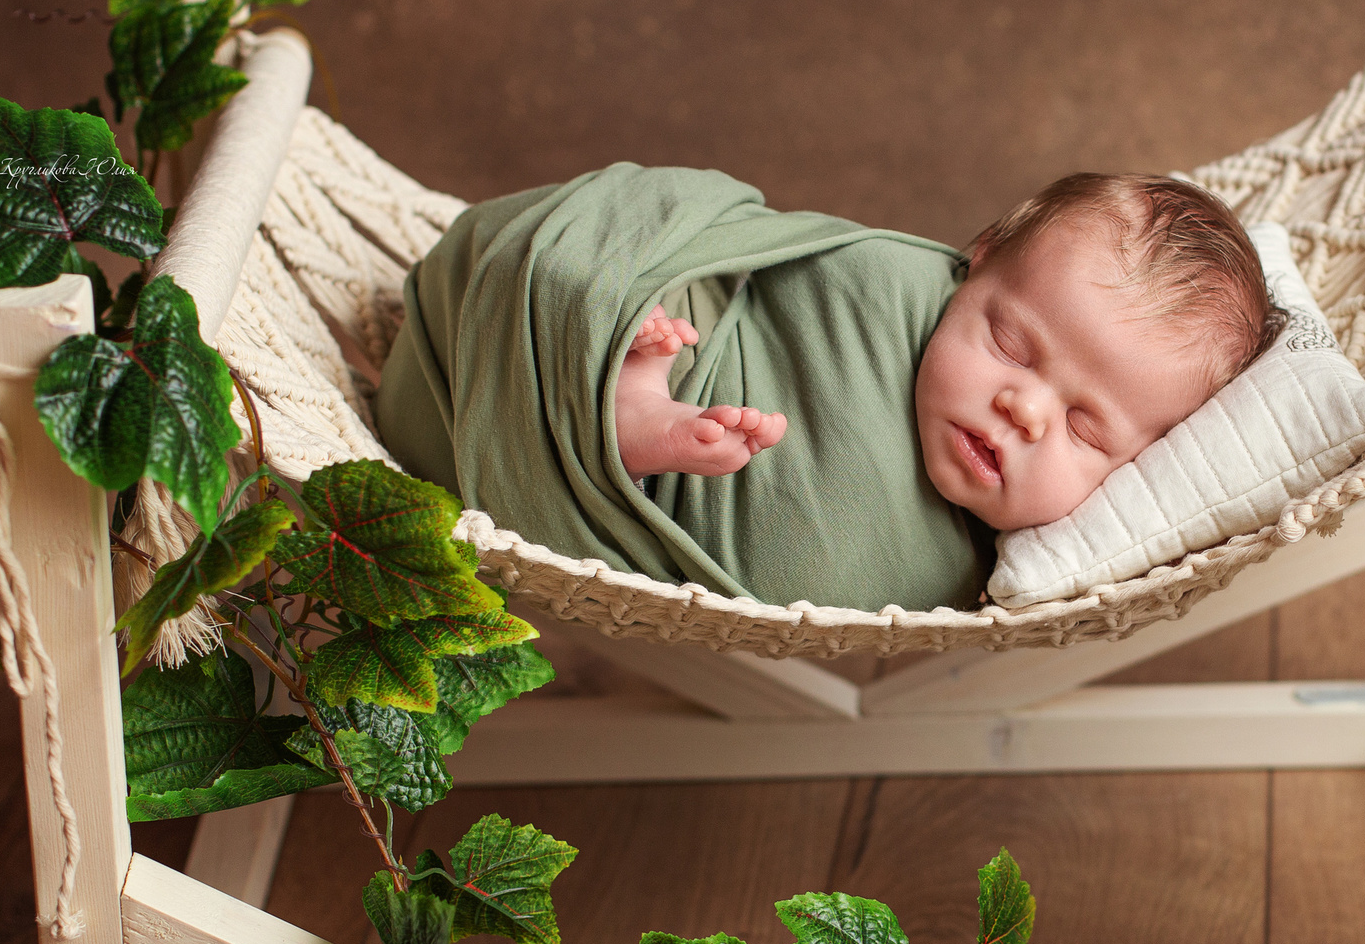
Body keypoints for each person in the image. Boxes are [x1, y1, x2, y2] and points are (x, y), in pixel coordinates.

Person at [375, 170, 1277, 613]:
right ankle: (627, 389)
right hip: (499, 342)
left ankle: (637, 442)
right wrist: (653, 314)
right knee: (659, 297)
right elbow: (731, 253)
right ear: (980, 258)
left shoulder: (1042, 570)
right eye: (1009, 342)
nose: (1025, 410)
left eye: (1087, 429)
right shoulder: (885, 282)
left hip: (539, 489)